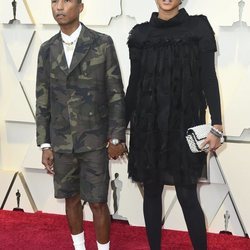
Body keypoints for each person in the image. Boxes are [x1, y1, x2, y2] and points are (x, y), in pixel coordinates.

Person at [125, 0, 223, 249]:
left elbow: (208, 78)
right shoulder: (141, 34)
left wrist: (217, 124)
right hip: (148, 126)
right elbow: (133, 85)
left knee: (187, 193)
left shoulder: (198, 28)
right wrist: (118, 130)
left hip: (184, 125)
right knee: (152, 190)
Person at [36, 0, 126, 249]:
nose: (59, 7)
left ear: (81, 6)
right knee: (71, 199)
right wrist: (45, 143)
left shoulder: (101, 43)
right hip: (61, 142)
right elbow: (42, 99)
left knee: (98, 201)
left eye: (66, 1)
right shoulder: (46, 49)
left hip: (95, 140)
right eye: (54, 2)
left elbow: (116, 93)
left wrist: (117, 137)